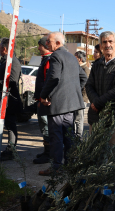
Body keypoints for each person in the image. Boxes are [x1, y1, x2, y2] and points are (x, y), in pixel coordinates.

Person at [39, 32, 87, 176]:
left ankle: (57, 167)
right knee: (68, 136)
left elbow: (53, 78)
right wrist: (72, 92)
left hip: (59, 105)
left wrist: (43, 95)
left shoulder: (56, 56)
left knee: (57, 137)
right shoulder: (72, 57)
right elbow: (83, 78)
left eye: (49, 41)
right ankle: (70, 165)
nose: (47, 44)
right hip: (70, 105)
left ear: (58, 43)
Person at [85, 31, 115, 145]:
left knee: (114, 156)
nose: (107, 45)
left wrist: (98, 104)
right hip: (96, 117)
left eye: (110, 41)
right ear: (100, 46)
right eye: (104, 42)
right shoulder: (96, 65)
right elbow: (89, 85)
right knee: (95, 155)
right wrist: (95, 102)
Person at [0, 38, 23, 161]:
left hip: (10, 99)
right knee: (8, 124)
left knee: (11, 125)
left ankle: (11, 150)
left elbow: (12, 81)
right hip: (6, 98)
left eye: (0, 46)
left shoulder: (12, 61)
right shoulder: (5, 60)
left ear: (5, 48)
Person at [33, 36, 52, 164]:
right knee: (44, 126)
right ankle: (47, 151)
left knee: (46, 127)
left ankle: (49, 153)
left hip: (46, 101)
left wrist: (43, 99)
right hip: (42, 99)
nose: (39, 48)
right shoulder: (44, 60)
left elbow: (48, 82)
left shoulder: (49, 60)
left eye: (40, 45)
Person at [74, 51, 90, 139]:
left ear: (80, 59)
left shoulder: (85, 69)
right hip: (76, 97)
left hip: (81, 98)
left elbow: (85, 85)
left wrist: (82, 98)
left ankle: (78, 138)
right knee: (75, 119)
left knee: (79, 119)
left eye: (75, 57)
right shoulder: (78, 68)